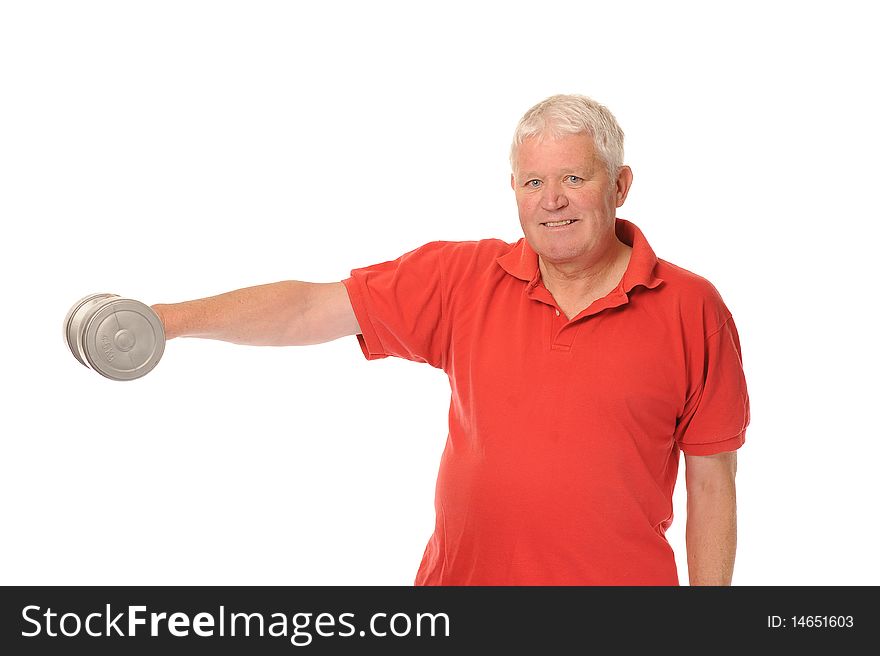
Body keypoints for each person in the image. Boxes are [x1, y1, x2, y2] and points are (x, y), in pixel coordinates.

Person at [152, 94, 750, 586]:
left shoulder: (691, 307)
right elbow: (308, 308)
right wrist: (164, 321)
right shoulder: (463, 279)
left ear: (619, 185)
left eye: (574, 177)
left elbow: (710, 479)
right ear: (513, 188)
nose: (552, 201)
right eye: (533, 181)